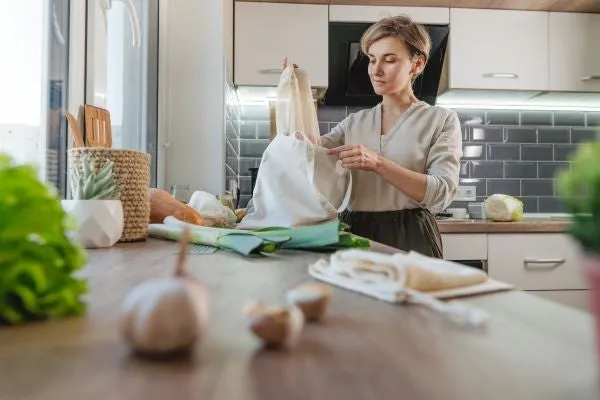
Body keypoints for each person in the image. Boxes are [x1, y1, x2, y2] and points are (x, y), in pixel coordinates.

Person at [320, 15, 463, 258]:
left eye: (389, 60)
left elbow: (442, 193)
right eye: (372, 59)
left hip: (411, 236)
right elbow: (309, 152)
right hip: (354, 233)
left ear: (416, 65)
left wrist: (378, 163)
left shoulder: (440, 120)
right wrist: (294, 93)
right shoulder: (354, 122)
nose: (376, 70)